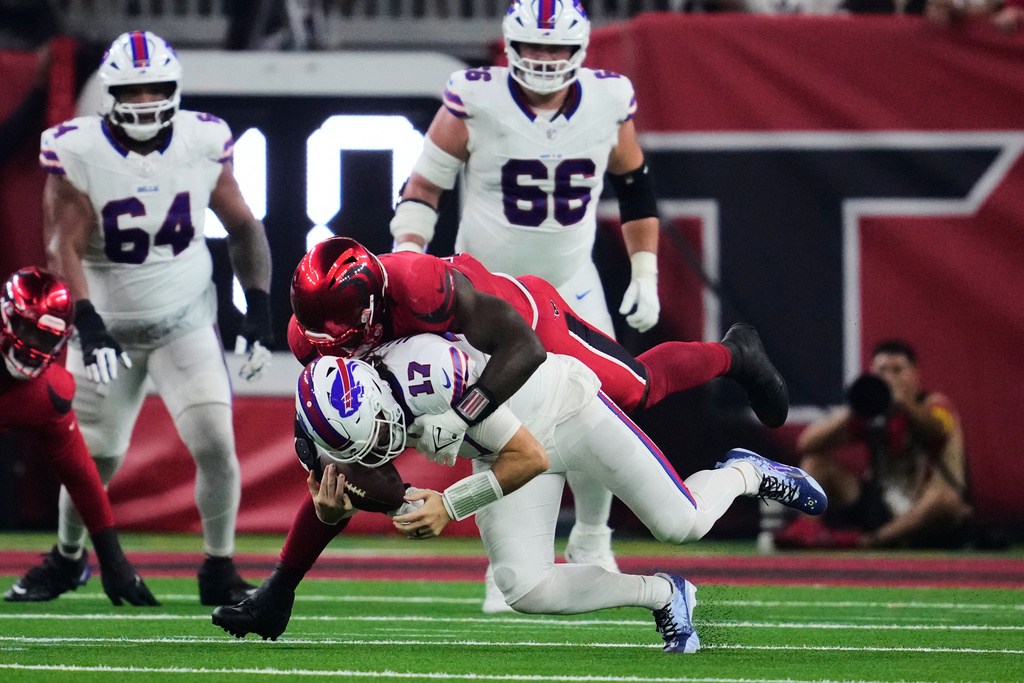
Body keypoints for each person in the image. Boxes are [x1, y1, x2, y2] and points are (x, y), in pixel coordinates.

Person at [212, 333, 827, 649]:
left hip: (566, 415)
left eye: (378, 437)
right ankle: (666, 596)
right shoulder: (329, 416)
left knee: (683, 524)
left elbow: (527, 454)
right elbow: (352, 487)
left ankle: (748, 473)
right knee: (524, 588)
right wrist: (327, 515)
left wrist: (449, 504)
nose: (378, 452)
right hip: (500, 449)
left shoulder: (432, 375)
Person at [389, 0, 660, 591]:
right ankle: (504, 557)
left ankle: (592, 534)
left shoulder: (609, 99)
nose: (542, 60)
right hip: (485, 293)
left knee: (602, 410)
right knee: (493, 422)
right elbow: (422, 188)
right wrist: (411, 255)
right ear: (510, 49)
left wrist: (646, 269)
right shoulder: (475, 98)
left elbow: (635, 189)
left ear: (580, 51)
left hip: (570, 285)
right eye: (532, 48)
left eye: (555, 49)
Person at [30, 30, 274, 606]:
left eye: (154, 89)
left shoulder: (202, 141)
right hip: (105, 325)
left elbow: (244, 227)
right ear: (110, 94)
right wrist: (85, 322)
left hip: (182, 320)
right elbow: (62, 245)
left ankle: (218, 567)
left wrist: (259, 308)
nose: (143, 101)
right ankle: (68, 556)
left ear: (175, 90)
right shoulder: (78, 148)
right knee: (97, 456)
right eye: (132, 90)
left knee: (215, 440)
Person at [1, 267, 158, 606]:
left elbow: (83, 478)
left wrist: (114, 561)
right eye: (26, 328)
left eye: (44, 338)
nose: (30, 346)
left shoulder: (45, 395)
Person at [777, 339, 971, 549]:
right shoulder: (871, 411)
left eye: (897, 370)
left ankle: (869, 542)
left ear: (915, 374)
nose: (889, 378)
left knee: (946, 500)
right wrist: (855, 408)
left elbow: (935, 428)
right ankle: (807, 531)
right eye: (882, 371)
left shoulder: (936, 405)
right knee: (815, 462)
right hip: (883, 506)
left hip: (927, 510)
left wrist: (903, 403)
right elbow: (807, 444)